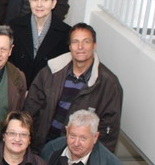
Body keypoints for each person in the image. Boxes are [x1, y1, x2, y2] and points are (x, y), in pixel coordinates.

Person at [25, 23, 123, 151]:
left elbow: (108, 132)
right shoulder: (50, 72)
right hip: (42, 148)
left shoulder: (108, 84)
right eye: (75, 42)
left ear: (95, 45)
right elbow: (30, 111)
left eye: (86, 42)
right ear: (70, 46)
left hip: (77, 156)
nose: (80, 47)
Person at [8, 0, 71, 87]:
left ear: (53, 3)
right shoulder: (15, 26)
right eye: (35, 0)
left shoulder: (65, 32)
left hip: (46, 89)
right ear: (30, 2)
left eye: (45, 0)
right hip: (17, 86)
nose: (39, 5)